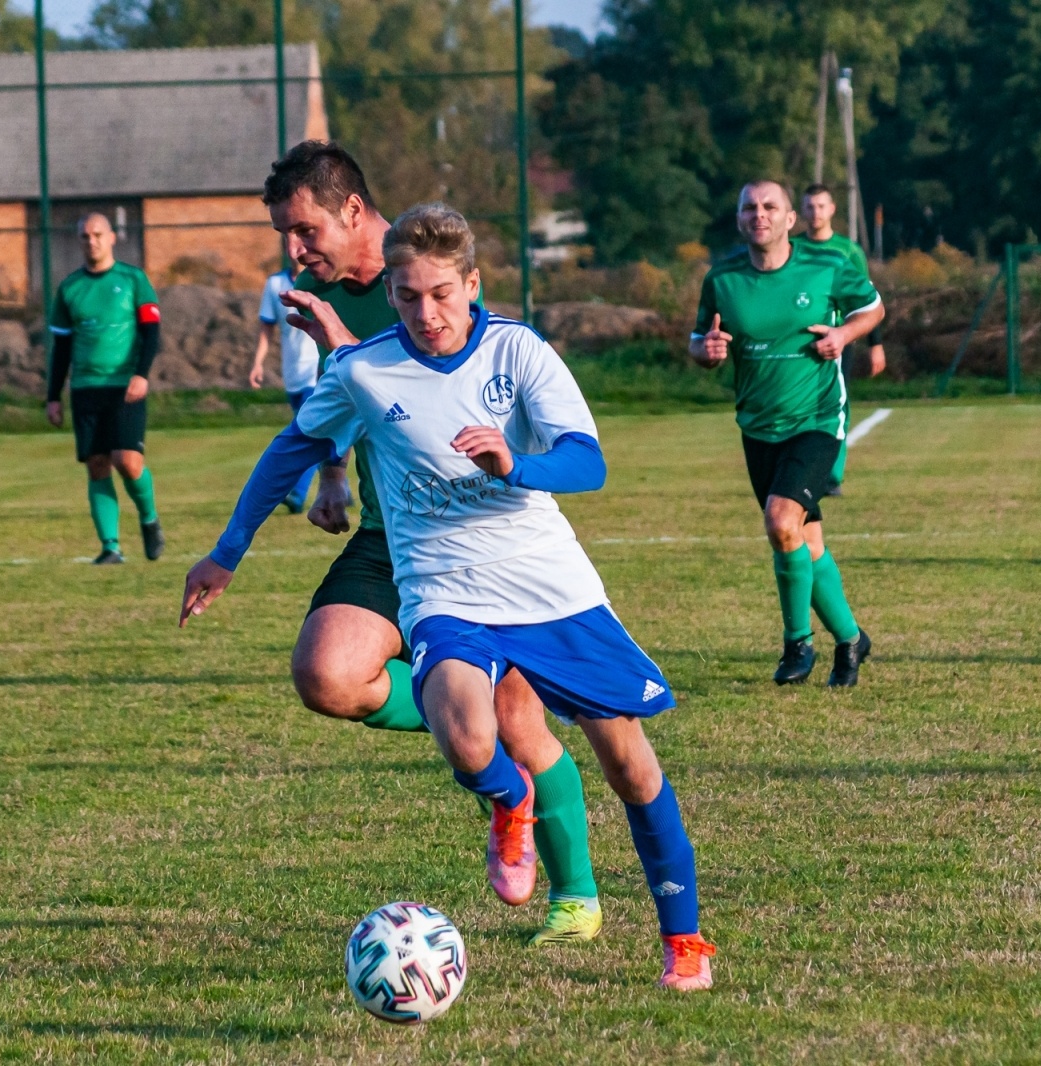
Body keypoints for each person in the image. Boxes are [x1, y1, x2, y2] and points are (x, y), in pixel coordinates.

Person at [181, 203, 716, 991]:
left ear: (472, 284)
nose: (424, 313)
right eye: (405, 296)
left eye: (439, 294)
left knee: (632, 768)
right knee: (470, 737)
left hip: (548, 586)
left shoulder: (517, 351)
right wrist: (227, 552)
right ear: (389, 292)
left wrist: (515, 464)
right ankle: (511, 799)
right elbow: (290, 447)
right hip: (445, 590)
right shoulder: (364, 370)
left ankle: (685, 941)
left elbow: (587, 462)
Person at [197, 142, 605, 948]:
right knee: (326, 672)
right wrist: (324, 487)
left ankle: (577, 898)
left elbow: (440, 386)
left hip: (483, 537)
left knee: (520, 717)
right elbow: (334, 411)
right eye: (284, 235)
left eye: (304, 230)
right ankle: (479, 741)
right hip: (394, 539)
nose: (294, 252)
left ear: (353, 211)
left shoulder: (425, 275)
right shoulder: (315, 294)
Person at [690, 181, 883, 687]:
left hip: (816, 418)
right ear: (738, 219)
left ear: (790, 218)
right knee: (805, 542)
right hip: (757, 424)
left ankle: (798, 643)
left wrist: (844, 334)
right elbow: (697, 339)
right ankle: (851, 640)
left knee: (780, 521)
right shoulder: (722, 279)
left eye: (770, 206)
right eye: (749, 207)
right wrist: (706, 351)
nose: (760, 215)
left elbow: (874, 309)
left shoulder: (827, 266)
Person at [46, 213, 164, 565]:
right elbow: (61, 347)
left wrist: (142, 373)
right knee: (97, 464)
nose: (91, 241)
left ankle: (149, 519)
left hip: (125, 386)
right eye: (84, 236)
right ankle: (110, 546)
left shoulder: (133, 280)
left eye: (98, 234)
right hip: (85, 388)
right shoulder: (69, 288)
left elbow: (152, 331)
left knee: (127, 462)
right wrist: (53, 396)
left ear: (112, 238)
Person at [796, 184, 887, 495]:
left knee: (836, 405)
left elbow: (867, 301)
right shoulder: (793, 248)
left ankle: (831, 477)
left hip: (838, 341)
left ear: (832, 209)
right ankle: (799, 472)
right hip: (798, 342)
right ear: (801, 211)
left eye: (821, 206)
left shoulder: (848, 251)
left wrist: (875, 344)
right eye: (809, 207)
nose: (815, 213)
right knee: (797, 407)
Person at [249, 256, 321, 512]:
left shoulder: (323, 281)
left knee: (311, 432)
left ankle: (298, 494)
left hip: (317, 372)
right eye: (289, 241)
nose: (295, 248)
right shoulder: (275, 284)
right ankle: (340, 488)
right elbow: (266, 329)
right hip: (293, 374)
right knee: (321, 432)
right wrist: (257, 363)